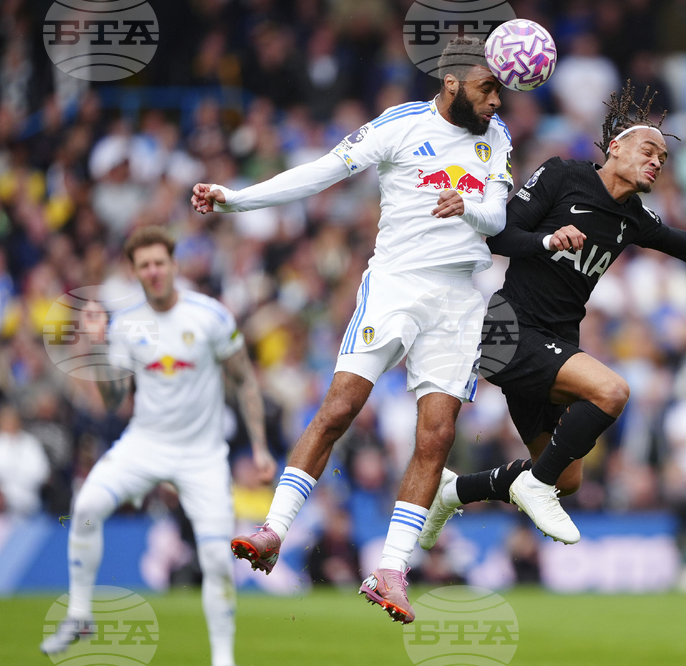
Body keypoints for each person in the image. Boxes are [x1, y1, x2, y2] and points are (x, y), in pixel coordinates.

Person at [419, 83, 686, 547]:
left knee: (567, 477)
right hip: (508, 329)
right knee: (612, 391)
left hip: (554, 339)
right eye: (649, 149)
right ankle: (529, 487)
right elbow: (500, 236)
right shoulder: (562, 175)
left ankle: (454, 491)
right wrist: (548, 241)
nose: (657, 160)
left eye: (663, 157)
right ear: (615, 148)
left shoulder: (634, 217)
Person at [191, 37, 512, 624]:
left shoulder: (498, 139)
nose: (497, 100)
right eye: (488, 88)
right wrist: (236, 200)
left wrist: (465, 209)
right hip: (395, 285)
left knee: (436, 438)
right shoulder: (398, 126)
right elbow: (322, 172)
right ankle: (272, 530)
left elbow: (496, 215)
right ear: (452, 84)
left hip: (460, 300)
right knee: (340, 406)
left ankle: (391, 570)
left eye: (500, 89)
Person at [40, 226, 276, 666]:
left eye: (159, 262)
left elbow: (244, 380)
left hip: (203, 454)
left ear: (173, 265)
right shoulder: (128, 324)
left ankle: (223, 659)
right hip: (144, 444)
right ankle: (79, 615)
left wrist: (259, 447)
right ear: (134, 272)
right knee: (87, 506)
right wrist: (96, 347)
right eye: (143, 265)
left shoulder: (210, 316)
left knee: (216, 559)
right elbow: (114, 401)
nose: (153, 271)